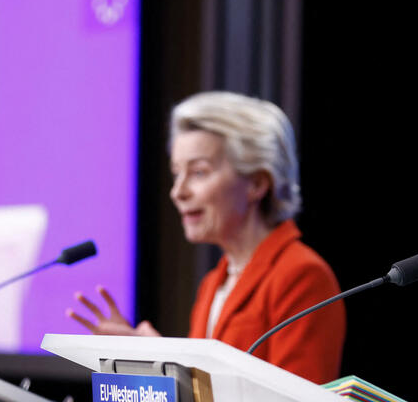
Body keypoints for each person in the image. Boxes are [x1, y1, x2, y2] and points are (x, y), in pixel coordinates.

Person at [68, 91, 346, 384]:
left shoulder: (301, 276)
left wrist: (164, 356)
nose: (178, 192)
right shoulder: (213, 284)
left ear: (256, 183)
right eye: (177, 173)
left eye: (198, 172)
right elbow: (201, 397)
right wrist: (148, 360)